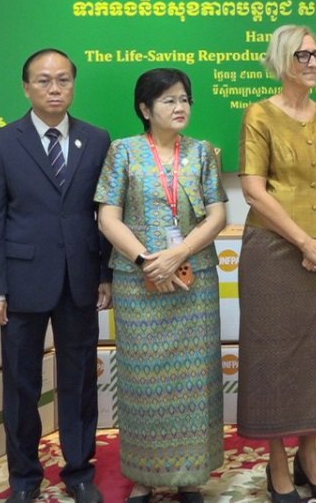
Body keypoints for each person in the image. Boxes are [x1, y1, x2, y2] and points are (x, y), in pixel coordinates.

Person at [0, 48, 112, 503]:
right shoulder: (0, 143)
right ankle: (24, 478)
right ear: (26, 87)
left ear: (73, 84)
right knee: (22, 386)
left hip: (80, 279)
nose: (54, 89)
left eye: (63, 80)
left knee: (79, 382)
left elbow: (105, 213)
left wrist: (105, 273)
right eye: (44, 81)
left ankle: (79, 471)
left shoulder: (96, 139)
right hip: (21, 283)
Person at [236, 24, 316, 503]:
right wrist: (305, 241)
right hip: (273, 250)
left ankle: (309, 454)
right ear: (281, 60)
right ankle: (277, 462)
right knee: (271, 357)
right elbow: (253, 189)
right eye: (302, 55)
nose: (313, 62)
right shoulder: (259, 114)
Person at [96, 68, 228, 503]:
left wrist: (177, 254)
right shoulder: (124, 151)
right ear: (145, 108)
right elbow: (107, 217)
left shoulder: (202, 152)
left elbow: (217, 214)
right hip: (139, 283)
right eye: (169, 100)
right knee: (144, 381)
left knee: (194, 381)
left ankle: (190, 476)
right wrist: (146, 260)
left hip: (194, 281)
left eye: (185, 99)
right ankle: (145, 475)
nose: (180, 107)